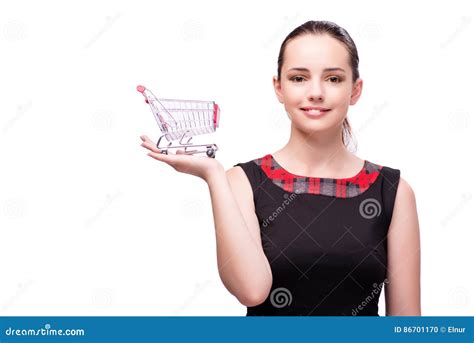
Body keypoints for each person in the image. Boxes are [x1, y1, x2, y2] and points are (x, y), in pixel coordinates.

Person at [139, 20, 421, 316]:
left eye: (333, 79)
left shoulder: (393, 192)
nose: (315, 92)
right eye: (299, 78)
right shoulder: (242, 182)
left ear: (355, 89)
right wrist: (213, 176)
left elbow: (407, 324)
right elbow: (252, 290)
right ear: (279, 87)